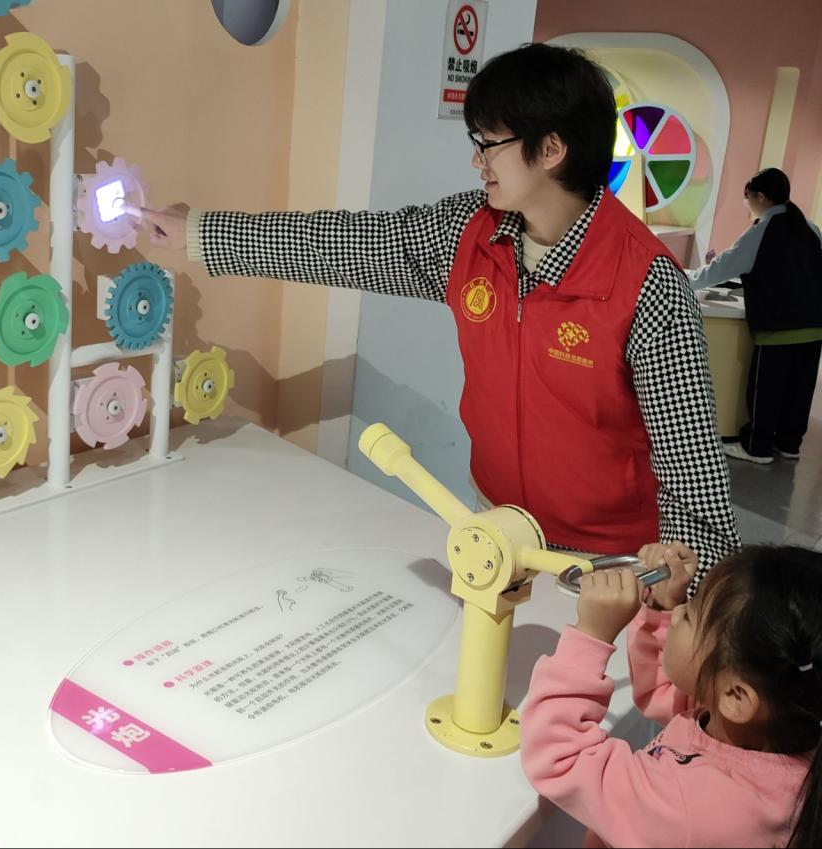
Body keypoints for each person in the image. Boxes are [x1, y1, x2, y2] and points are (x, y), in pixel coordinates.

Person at [141, 43, 739, 593]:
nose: (477, 160)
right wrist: (197, 232)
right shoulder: (470, 232)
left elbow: (692, 474)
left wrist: (686, 587)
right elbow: (349, 245)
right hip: (495, 525)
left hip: (606, 567)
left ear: (551, 150)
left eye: (490, 142)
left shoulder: (647, 284)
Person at [521, 543, 822, 848]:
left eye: (690, 615)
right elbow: (660, 693)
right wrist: (662, 605)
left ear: (736, 696)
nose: (678, 613)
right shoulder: (777, 727)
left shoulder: (693, 806)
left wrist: (592, 633)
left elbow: (559, 757)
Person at [688, 168, 822, 464]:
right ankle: (789, 444)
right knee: (799, 390)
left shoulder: (762, 230)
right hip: (814, 325)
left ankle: (758, 447)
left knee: (767, 390)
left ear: (760, 197)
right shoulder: (810, 228)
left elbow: (721, 268)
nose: (746, 204)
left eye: (747, 197)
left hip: (778, 327)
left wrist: (685, 279)